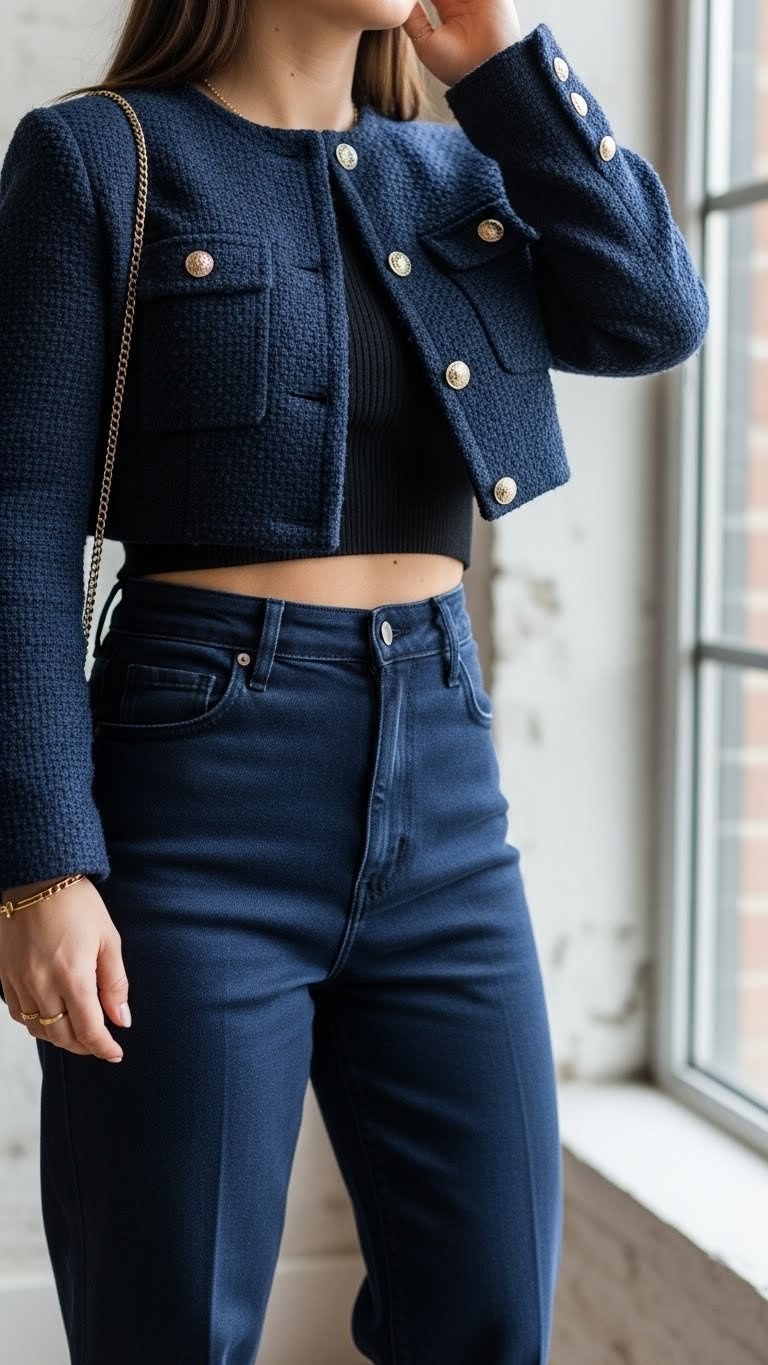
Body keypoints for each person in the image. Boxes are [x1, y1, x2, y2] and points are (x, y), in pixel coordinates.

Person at [0, 1, 708, 1361]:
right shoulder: (99, 157)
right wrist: (39, 864)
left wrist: (503, 71)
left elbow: (655, 312)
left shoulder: (464, 168)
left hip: (445, 787)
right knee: (167, 1323)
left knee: (489, 1313)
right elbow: (19, 520)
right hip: (194, 791)